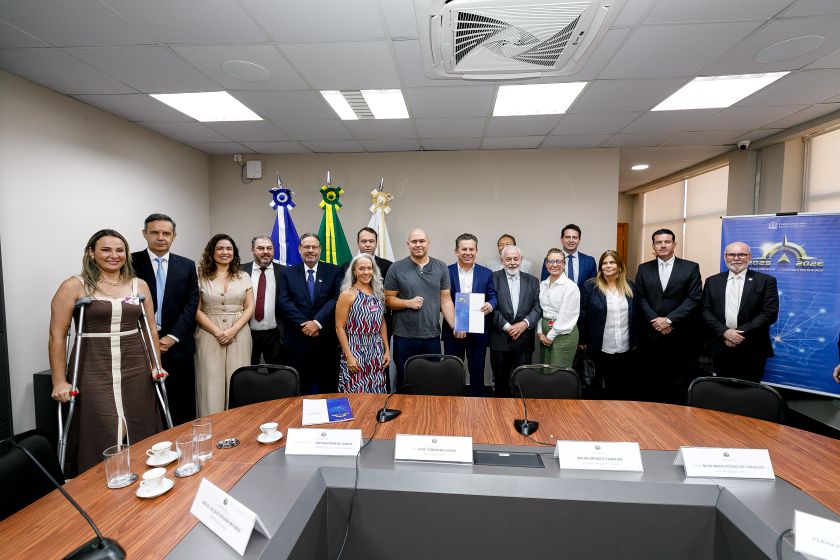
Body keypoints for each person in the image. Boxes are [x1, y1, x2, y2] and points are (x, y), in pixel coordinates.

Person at [49, 229, 163, 476]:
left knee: (137, 420)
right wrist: (59, 380)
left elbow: (151, 328)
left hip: (135, 364)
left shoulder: (138, 285)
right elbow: (58, 335)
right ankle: (100, 480)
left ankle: (144, 474)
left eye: (120, 250)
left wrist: (157, 365)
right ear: (92, 253)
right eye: (106, 250)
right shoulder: (74, 286)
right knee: (103, 424)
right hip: (93, 365)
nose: (114, 255)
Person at [131, 213, 199, 426]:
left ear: (173, 236)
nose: (161, 238)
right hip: (141, 343)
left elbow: (191, 303)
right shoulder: (130, 262)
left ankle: (183, 439)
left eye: (166, 233)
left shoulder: (187, 265)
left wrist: (173, 336)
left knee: (181, 403)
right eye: (155, 232)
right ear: (145, 234)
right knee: (144, 400)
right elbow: (125, 301)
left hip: (178, 345)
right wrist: (148, 336)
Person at [634, 228, 702, 404]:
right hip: (651, 335)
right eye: (658, 242)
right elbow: (640, 297)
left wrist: (669, 320)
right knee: (650, 379)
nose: (663, 245)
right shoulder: (643, 268)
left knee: (677, 380)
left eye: (667, 242)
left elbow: (694, 298)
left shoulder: (690, 268)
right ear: (653, 246)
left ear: (674, 244)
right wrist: (657, 322)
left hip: (679, 334)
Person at [384, 228, 458, 388]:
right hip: (404, 337)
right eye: (414, 241)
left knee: (431, 381)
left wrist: (455, 325)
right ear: (408, 244)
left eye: (422, 241)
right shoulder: (396, 268)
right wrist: (407, 303)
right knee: (405, 380)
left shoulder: (441, 267)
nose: (418, 244)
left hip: (432, 336)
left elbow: (445, 300)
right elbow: (387, 300)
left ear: (428, 243)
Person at [701, 241, 779, 383]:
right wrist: (725, 332)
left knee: (748, 390)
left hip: (752, 347)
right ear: (725, 257)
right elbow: (705, 311)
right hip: (721, 345)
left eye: (741, 254)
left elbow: (769, 313)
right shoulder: (712, 281)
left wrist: (737, 334)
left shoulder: (766, 281)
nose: (736, 258)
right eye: (731, 254)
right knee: (721, 388)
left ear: (749, 257)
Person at [194, 234, 254, 415]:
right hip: (208, 332)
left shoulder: (243, 276)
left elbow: (250, 306)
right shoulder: (200, 276)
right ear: (211, 252)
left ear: (234, 252)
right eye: (220, 248)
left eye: (229, 248)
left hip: (239, 332)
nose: (225, 252)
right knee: (210, 382)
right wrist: (218, 332)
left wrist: (233, 330)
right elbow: (196, 310)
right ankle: (211, 424)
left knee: (239, 378)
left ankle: (238, 422)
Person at [277, 233, 341, 394]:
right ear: (300, 249)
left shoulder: (334, 271)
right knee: (300, 387)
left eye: (314, 247)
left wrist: (317, 322)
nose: (310, 250)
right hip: (297, 340)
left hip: (325, 340)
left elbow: (336, 298)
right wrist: (306, 324)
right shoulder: (287, 273)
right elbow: (284, 301)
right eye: (306, 247)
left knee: (328, 386)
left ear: (320, 249)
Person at [442, 234, 497, 396]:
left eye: (471, 249)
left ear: (476, 251)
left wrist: (490, 305)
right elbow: (442, 300)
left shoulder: (486, 273)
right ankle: (452, 403)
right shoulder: (446, 272)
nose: (468, 252)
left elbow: (493, 296)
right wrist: (455, 323)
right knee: (452, 371)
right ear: (456, 251)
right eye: (464, 249)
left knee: (477, 372)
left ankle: (476, 405)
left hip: (477, 331)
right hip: (453, 330)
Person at [579, 250, 637, 400]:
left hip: (624, 344)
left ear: (619, 266)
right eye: (604, 263)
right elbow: (582, 314)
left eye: (612, 262)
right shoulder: (590, 286)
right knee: (596, 386)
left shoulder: (630, 286)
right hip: (599, 345)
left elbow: (636, 314)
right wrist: (583, 339)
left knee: (619, 386)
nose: (608, 266)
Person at [490, 245, 541, 398]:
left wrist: (524, 324)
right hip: (500, 339)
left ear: (521, 260)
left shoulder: (533, 281)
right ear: (502, 261)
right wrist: (507, 326)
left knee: (522, 384)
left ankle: (520, 410)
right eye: (508, 259)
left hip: (524, 340)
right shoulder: (491, 278)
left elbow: (538, 307)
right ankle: (499, 411)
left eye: (516, 259)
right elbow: (489, 306)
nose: (512, 262)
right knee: (500, 384)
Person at [335, 253, 390, 393]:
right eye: (361, 268)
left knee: (377, 391)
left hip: (376, 351)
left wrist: (387, 350)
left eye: (369, 268)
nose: (366, 272)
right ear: (354, 271)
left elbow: (382, 323)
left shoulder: (377, 293)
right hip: (355, 350)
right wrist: (349, 357)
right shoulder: (347, 295)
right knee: (356, 393)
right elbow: (339, 328)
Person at [241, 235, 284, 365]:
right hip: (246, 332)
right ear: (252, 250)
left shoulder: (284, 272)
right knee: (247, 371)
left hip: (275, 334)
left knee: (276, 372)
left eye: (269, 248)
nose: (265, 251)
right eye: (260, 248)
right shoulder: (239, 271)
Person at [537, 248, 580, 369]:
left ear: (564, 264)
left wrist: (550, 336)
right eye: (551, 261)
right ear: (546, 264)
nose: (555, 265)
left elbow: (567, 315)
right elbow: (541, 310)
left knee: (558, 373)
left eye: (559, 261)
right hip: (545, 330)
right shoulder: (543, 284)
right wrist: (539, 332)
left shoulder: (570, 287)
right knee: (546, 370)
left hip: (564, 334)